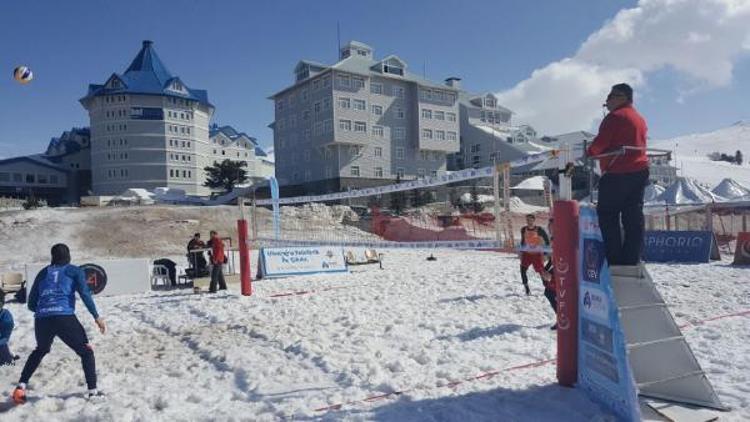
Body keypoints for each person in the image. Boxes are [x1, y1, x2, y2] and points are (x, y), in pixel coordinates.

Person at [12, 244, 107, 404]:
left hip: (42, 319)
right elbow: (84, 293)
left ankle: (20, 387)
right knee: (86, 352)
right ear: (68, 255)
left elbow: (30, 304)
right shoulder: (74, 270)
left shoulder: (43, 273)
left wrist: (45, 310)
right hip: (64, 317)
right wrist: (96, 316)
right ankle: (93, 393)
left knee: (40, 350)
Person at [587, 83, 649, 266]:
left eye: (611, 96)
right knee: (633, 217)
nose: (607, 100)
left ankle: (614, 260)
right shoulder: (640, 118)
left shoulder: (614, 117)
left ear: (623, 97)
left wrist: (590, 152)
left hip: (617, 172)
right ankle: (632, 259)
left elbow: (599, 144)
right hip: (639, 171)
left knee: (608, 216)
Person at [519, 214, 550, 296]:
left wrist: (545, 253)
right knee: (522, 270)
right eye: (527, 220)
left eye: (530, 220)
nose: (528, 222)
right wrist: (521, 252)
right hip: (527, 254)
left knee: (541, 272)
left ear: (533, 220)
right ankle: (527, 289)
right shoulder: (523, 229)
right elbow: (522, 241)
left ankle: (547, 287)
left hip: (537, 254)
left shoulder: (539, 229)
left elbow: (547, 241)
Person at [0, 290, 19, 365]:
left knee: (6, 359)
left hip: (1, 343)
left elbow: (6, 334)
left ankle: (7, 357)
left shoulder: (5, 315)